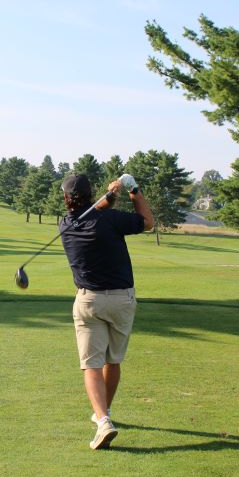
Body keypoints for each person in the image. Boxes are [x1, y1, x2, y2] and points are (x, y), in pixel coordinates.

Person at [59, 173, 154, 449]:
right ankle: (105, 413)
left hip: (89, 302)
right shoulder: (111, 220)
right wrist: (132, 189)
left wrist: (111, 195)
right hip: (122, 300)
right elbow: (147, 222)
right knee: (112, 361)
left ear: (66, 199)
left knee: (91, 364)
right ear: (91, 195)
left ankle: (102, 421)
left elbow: (93, 212)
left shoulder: (66, 223)